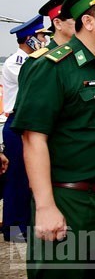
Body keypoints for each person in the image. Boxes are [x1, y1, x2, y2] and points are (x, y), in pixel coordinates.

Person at [13, 0, 95, 277]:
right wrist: (46, 206)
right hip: (71, 202)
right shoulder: (52, 68)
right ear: (88, 22)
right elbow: (33, 139)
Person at [1, 15, 46, 242]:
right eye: (40, 37)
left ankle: (27, 225)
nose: (44, 41)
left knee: (32, 178)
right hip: (17, 122)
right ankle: (13, 229)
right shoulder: (15, 63)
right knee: (17, 178)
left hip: (30, 122)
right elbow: (36, 82)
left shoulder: (32, 61)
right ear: (29, 40)